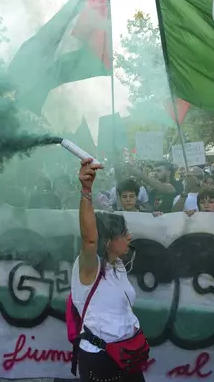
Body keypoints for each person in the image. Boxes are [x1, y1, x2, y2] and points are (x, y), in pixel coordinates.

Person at [72, 158, 146, 382]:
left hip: (128, 355)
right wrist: (86, 190)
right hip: (101, 360)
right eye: (124, 234)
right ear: (107, 241)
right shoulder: (89, 268)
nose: (130, 237)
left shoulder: (119, 264)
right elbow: (89, 237)